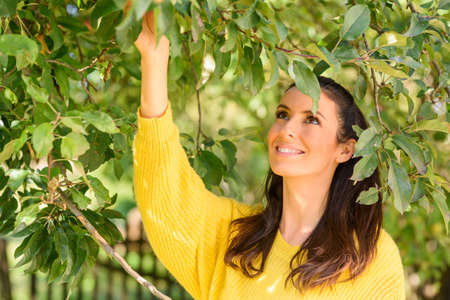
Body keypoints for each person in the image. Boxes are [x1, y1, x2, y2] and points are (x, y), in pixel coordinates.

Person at [132, 10, 406, 300]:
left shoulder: (371, 260)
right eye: (282, 114)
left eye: (311, 119)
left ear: (345, 149)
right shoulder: (232, 236)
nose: (287, 128)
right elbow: (165, 194)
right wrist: (154, 57)